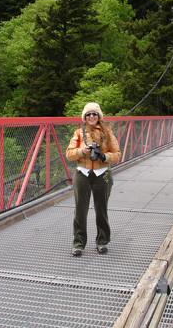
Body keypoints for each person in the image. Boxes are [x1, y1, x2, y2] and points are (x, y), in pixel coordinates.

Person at [66, 103, 121, 256]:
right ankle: (78, 243)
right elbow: (69, 154)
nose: (91, 117)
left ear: (99, 116)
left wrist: (105, 156)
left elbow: (117, 154)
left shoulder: (108, 133)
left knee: (101, 209)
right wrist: (81, 151)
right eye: (88, 114)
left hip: (102, 173)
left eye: (94, 114)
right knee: (80, 210)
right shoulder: (78, 133)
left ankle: (102, 241)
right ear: (84, 117)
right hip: (82, 173)